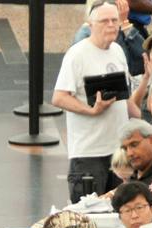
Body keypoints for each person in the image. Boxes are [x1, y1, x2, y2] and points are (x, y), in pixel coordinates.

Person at [53, 2, 136, 201]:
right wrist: (91, 110)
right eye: (104, 21)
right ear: (90, 25)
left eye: (114, 20)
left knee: (120, 209)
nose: (111, 25)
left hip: (118, 150)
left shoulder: (117, 51)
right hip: (88, 152)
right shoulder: (77, 54)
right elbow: (59, 97)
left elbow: (127, 98)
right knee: (88, 215)